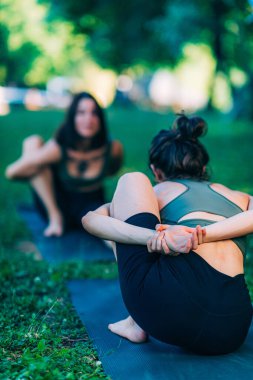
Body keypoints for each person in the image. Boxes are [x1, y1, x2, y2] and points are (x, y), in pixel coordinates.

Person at [82, 114, 253, 355]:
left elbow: (91, 220)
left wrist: (165, 237)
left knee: (131, 180)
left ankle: (135, 322)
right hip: (233, 327)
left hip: (171, 313)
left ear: (156, 171)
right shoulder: (239, 197)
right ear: (203, 169)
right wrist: (165, 238)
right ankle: (136, 318)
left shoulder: (155, 191)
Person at [5, 92, 123, 237]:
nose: (88, 119)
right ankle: (55, 218)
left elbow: (113, 170)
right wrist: (33, 154)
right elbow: (11, 173)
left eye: (94, 113)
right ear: (72, 118)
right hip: (58, 203)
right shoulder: (59, 148)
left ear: (101, 119)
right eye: (81, 112)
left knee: (109, 232)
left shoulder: (113, 148)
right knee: (33, 144)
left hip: (91, 204)